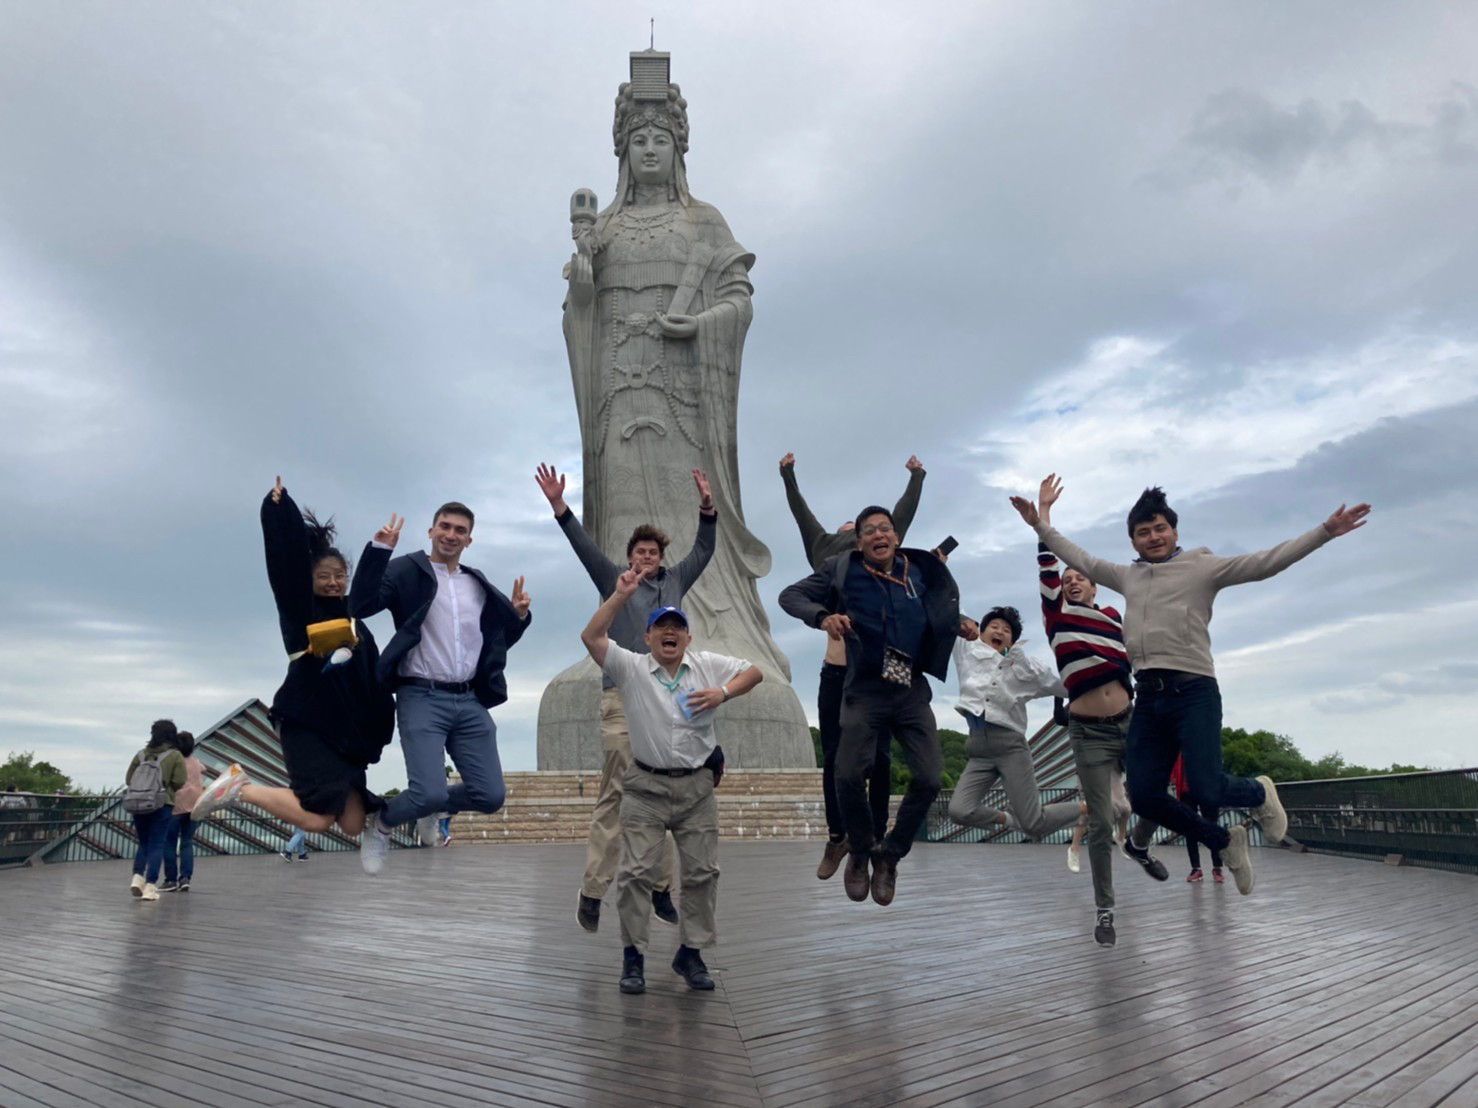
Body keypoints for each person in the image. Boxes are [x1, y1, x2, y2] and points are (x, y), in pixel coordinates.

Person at [1014, 481, 1371, 896]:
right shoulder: (1127, 576)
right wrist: (1040, 523)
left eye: (1161, 528)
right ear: (1133, 539)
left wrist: (1323, 532)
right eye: (1144, 532)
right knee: (1145, 797)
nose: (1154, 537)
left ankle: (1258, 791)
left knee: (1206, 788)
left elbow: (1265, 563)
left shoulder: (1202, 567)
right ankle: (1225, 843)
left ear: (1174, 532)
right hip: (1148, 697)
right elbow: (1079, 557)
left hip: (1194, 690)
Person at [560, 61, 786, 679]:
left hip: (684, 396)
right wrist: (583, 288)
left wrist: (702, 324)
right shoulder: (601, 229)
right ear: (623, 150)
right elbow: (578, 317)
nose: (651, 150)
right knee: (623, 519)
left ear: (679, 148)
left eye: (661, 139)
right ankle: (620, 637)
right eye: (639, 140)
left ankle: (705, 627)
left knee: (690, 508)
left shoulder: (704, 221)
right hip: (618, 394)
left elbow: (739, 298)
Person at [535, 463, 717, 933]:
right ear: (629, 557)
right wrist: (559, 507)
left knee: (669, 789)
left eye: (653, 552)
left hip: (668, 703)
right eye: (639, 552)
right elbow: (582, 547)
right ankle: (594, 891)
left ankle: (660, 887)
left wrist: (707, 507)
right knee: (616, 794)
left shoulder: (674, 583)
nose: (646, 558)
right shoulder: (614, 579)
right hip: (621, 698)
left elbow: (705, 548)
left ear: (660, 557)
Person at [581, 567, 763, 995]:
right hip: (644, 788)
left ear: (688, 638)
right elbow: (591, 638)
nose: (669, 632)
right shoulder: (631, 668)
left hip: (697, 788)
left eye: (676, 627)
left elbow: (755, 671)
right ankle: (633, 957)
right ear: (646, 638)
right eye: (660, 627)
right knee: (636, 873)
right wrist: (620, 596)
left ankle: (692, 954)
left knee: (703, 873)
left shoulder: (706, 666)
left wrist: (723, 693)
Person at [193, 480, 396, 860]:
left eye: (340, 575)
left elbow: (374, 670)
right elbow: (284, 566)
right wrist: (279, 512)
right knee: (318, 820)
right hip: (308, 723)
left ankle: (380, 822)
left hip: (347, 735)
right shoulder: (301, 611)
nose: (334, 582)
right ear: (310, 580)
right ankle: (241, 786)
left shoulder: (355, 619)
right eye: (324, 576)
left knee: (352, 823)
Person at [780, 505, 969, 906]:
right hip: (865, 688)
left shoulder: (918, 571)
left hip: (910, 690)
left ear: (896, 536)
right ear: (859, 541)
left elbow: (933, 606)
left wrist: (961, 621)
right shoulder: (841, 569)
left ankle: (890, 855)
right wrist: (822, 616)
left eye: (885, 528)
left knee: (931, 779)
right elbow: (789, 595)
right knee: (847, 774)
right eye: (869, 531)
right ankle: (861, 850)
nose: (878, 535)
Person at [1013, 476, 1165, 947]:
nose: (1073, 579)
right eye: (1067, 577)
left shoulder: (1114, 619)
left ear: (1096, 589)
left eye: (1081, 576)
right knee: (1100, 822)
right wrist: (1043, 516)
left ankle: (1138, 845)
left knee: (1156, 794)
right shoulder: (1056, 614)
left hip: (1130, 720)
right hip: (1088, 732)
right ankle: (1105, 907)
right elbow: (1047, 561)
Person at [348, 499, 532, 875]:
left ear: (469, 539)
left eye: (459, 530)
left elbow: (496, 641)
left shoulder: (476, 583)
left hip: (468, 700)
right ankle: (381, 823)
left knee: (490, 795)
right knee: (427, 791)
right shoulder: (406, 570)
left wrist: (519, 616)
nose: (451, 535)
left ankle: (433, 808)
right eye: (444, 526)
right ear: (431, 531)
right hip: (420, 696)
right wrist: (380, 550)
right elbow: (361, 603)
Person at [779, 452, 927, 880]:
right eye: (859, 528)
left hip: (886, 669)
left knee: (880, 758)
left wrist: (917, 476)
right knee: (837, 758)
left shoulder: (888, 555)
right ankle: (840, 835)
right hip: (840, 669)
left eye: (873, 529)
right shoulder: (827, 556)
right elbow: (800, 512)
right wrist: (788, 474)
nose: (860, 531)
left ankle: (875, 843)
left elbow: (903, 513)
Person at [947, 605, 1085, 840]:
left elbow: (1067, 685)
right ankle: (1008, 819)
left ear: (1012, 641)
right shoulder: (966, 650)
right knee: (959, 810)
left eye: (1006, 630)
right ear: (981, 632)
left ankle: (1087, 807)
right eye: (993, 626)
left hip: (1010, 746)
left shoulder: (1027, 667)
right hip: (978, 748)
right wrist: (964, 620)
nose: (999, 631)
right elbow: (944, 612)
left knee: (1034, 824)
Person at [124, 719, 188, 901]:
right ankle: (150, 886)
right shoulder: (174, 755)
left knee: (143, 842)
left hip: (138, 803)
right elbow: (179, 780)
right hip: (162, 803)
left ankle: (137, 877)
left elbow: (129, 779)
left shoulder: (141, 755)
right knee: (157, 844)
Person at [160, 731, 203, 892]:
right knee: (187, 842)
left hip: (175, 807)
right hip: (194, 807)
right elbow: (202, 770)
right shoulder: (196, 762)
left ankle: (170, 880)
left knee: (169, 843)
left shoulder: (174, 762)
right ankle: (185, 878)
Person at [1172, 755, 1223, 883]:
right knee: (1190, 829)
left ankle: (1217, 867)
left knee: (1212, 827)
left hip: (1206, 787)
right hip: (1186, 790)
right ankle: (1196, 869)